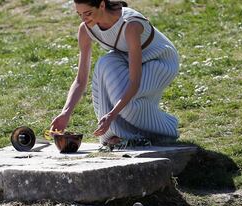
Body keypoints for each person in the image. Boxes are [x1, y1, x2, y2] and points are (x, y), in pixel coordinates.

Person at [50, 0, 179, 148]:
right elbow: (80, 79)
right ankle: (114, 135)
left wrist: (112, 114)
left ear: (102, 5)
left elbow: (134, 82)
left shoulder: (130, 25)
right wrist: (65, 113)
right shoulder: (85, 29)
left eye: (88, 13)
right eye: (80, 14)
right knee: (104, 63)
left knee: (126, 106)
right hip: (128, 58)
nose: (84, 19)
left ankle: (166, 129)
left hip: (160, 60)